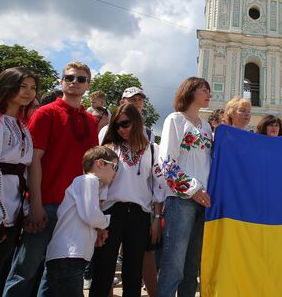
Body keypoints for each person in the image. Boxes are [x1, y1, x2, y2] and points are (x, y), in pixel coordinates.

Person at [4, 62, 99, 296]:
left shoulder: (90, 121)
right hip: (45, 203)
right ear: (61, 82)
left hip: (73, 209)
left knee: (56, 273)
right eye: (69, 78)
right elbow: (33, 161)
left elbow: (91, 172)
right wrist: (35, 205)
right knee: (24, 271)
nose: (74, 82)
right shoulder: (45, 113)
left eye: (81, 79)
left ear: (88, 85)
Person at [90, 104, 164, 297]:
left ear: (137, 122)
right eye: (116, 125)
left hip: (139, 216)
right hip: (111, 214)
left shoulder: (153, 150)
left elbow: (158, 187)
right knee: (103, 270)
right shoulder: (109, 149)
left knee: (133, 272)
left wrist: (156, 219)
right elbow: (99, 188)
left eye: (125, 123)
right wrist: (98, 224)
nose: (121, 129)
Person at [158, 77, 213, 297]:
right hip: (181, 201)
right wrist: (193, 190)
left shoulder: (207, 126)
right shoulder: (175, 120)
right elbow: (166, 162)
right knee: (174, 263)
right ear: (190, 92)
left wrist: (205, 193)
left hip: (204, 202)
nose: (209, 94)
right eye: (204, 90)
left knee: (192, 266)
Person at [0, 68, 38, 294]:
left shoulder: (23, 128)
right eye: (22, 86)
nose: (28, 92)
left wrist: (25, 211)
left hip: (12, 213)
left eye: (33, 87)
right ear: (7, 85)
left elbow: (24, 173)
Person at [45, 146, 117, 296]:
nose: (116, 172)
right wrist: (105, 223)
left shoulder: (84, 183)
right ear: (100, 163)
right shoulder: (89, 180)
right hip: (70, 255)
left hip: (66, 256)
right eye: (114, 166)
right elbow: (91, 215)